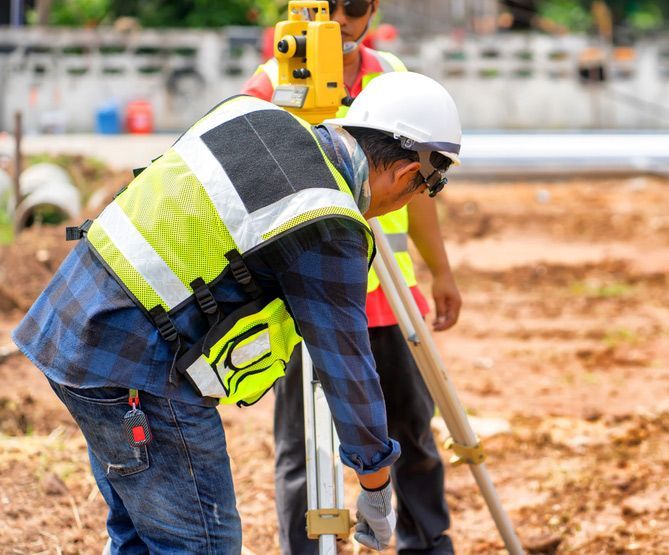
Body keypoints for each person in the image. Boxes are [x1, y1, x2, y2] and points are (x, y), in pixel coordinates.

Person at [12, 72, 462, 554]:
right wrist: (375, 483)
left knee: (140, 538)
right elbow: (346, 364)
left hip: (70, 326)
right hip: (136, 368)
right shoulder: (328, 220)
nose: (415, 199)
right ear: (407, 173)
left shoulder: (251, 113)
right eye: (426, 188)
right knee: (204, 544)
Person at [243, 0, 460, 554]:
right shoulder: (270, 87)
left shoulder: (394, 81)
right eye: (323, 5)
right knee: (303, 452)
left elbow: (419, 191)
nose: (339, 22)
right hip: (303, 304)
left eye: (354, 7)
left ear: (375, 9)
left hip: (389, 302)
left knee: (412, 436)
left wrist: (441, 272)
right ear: (300, 3)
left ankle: (426, 544)